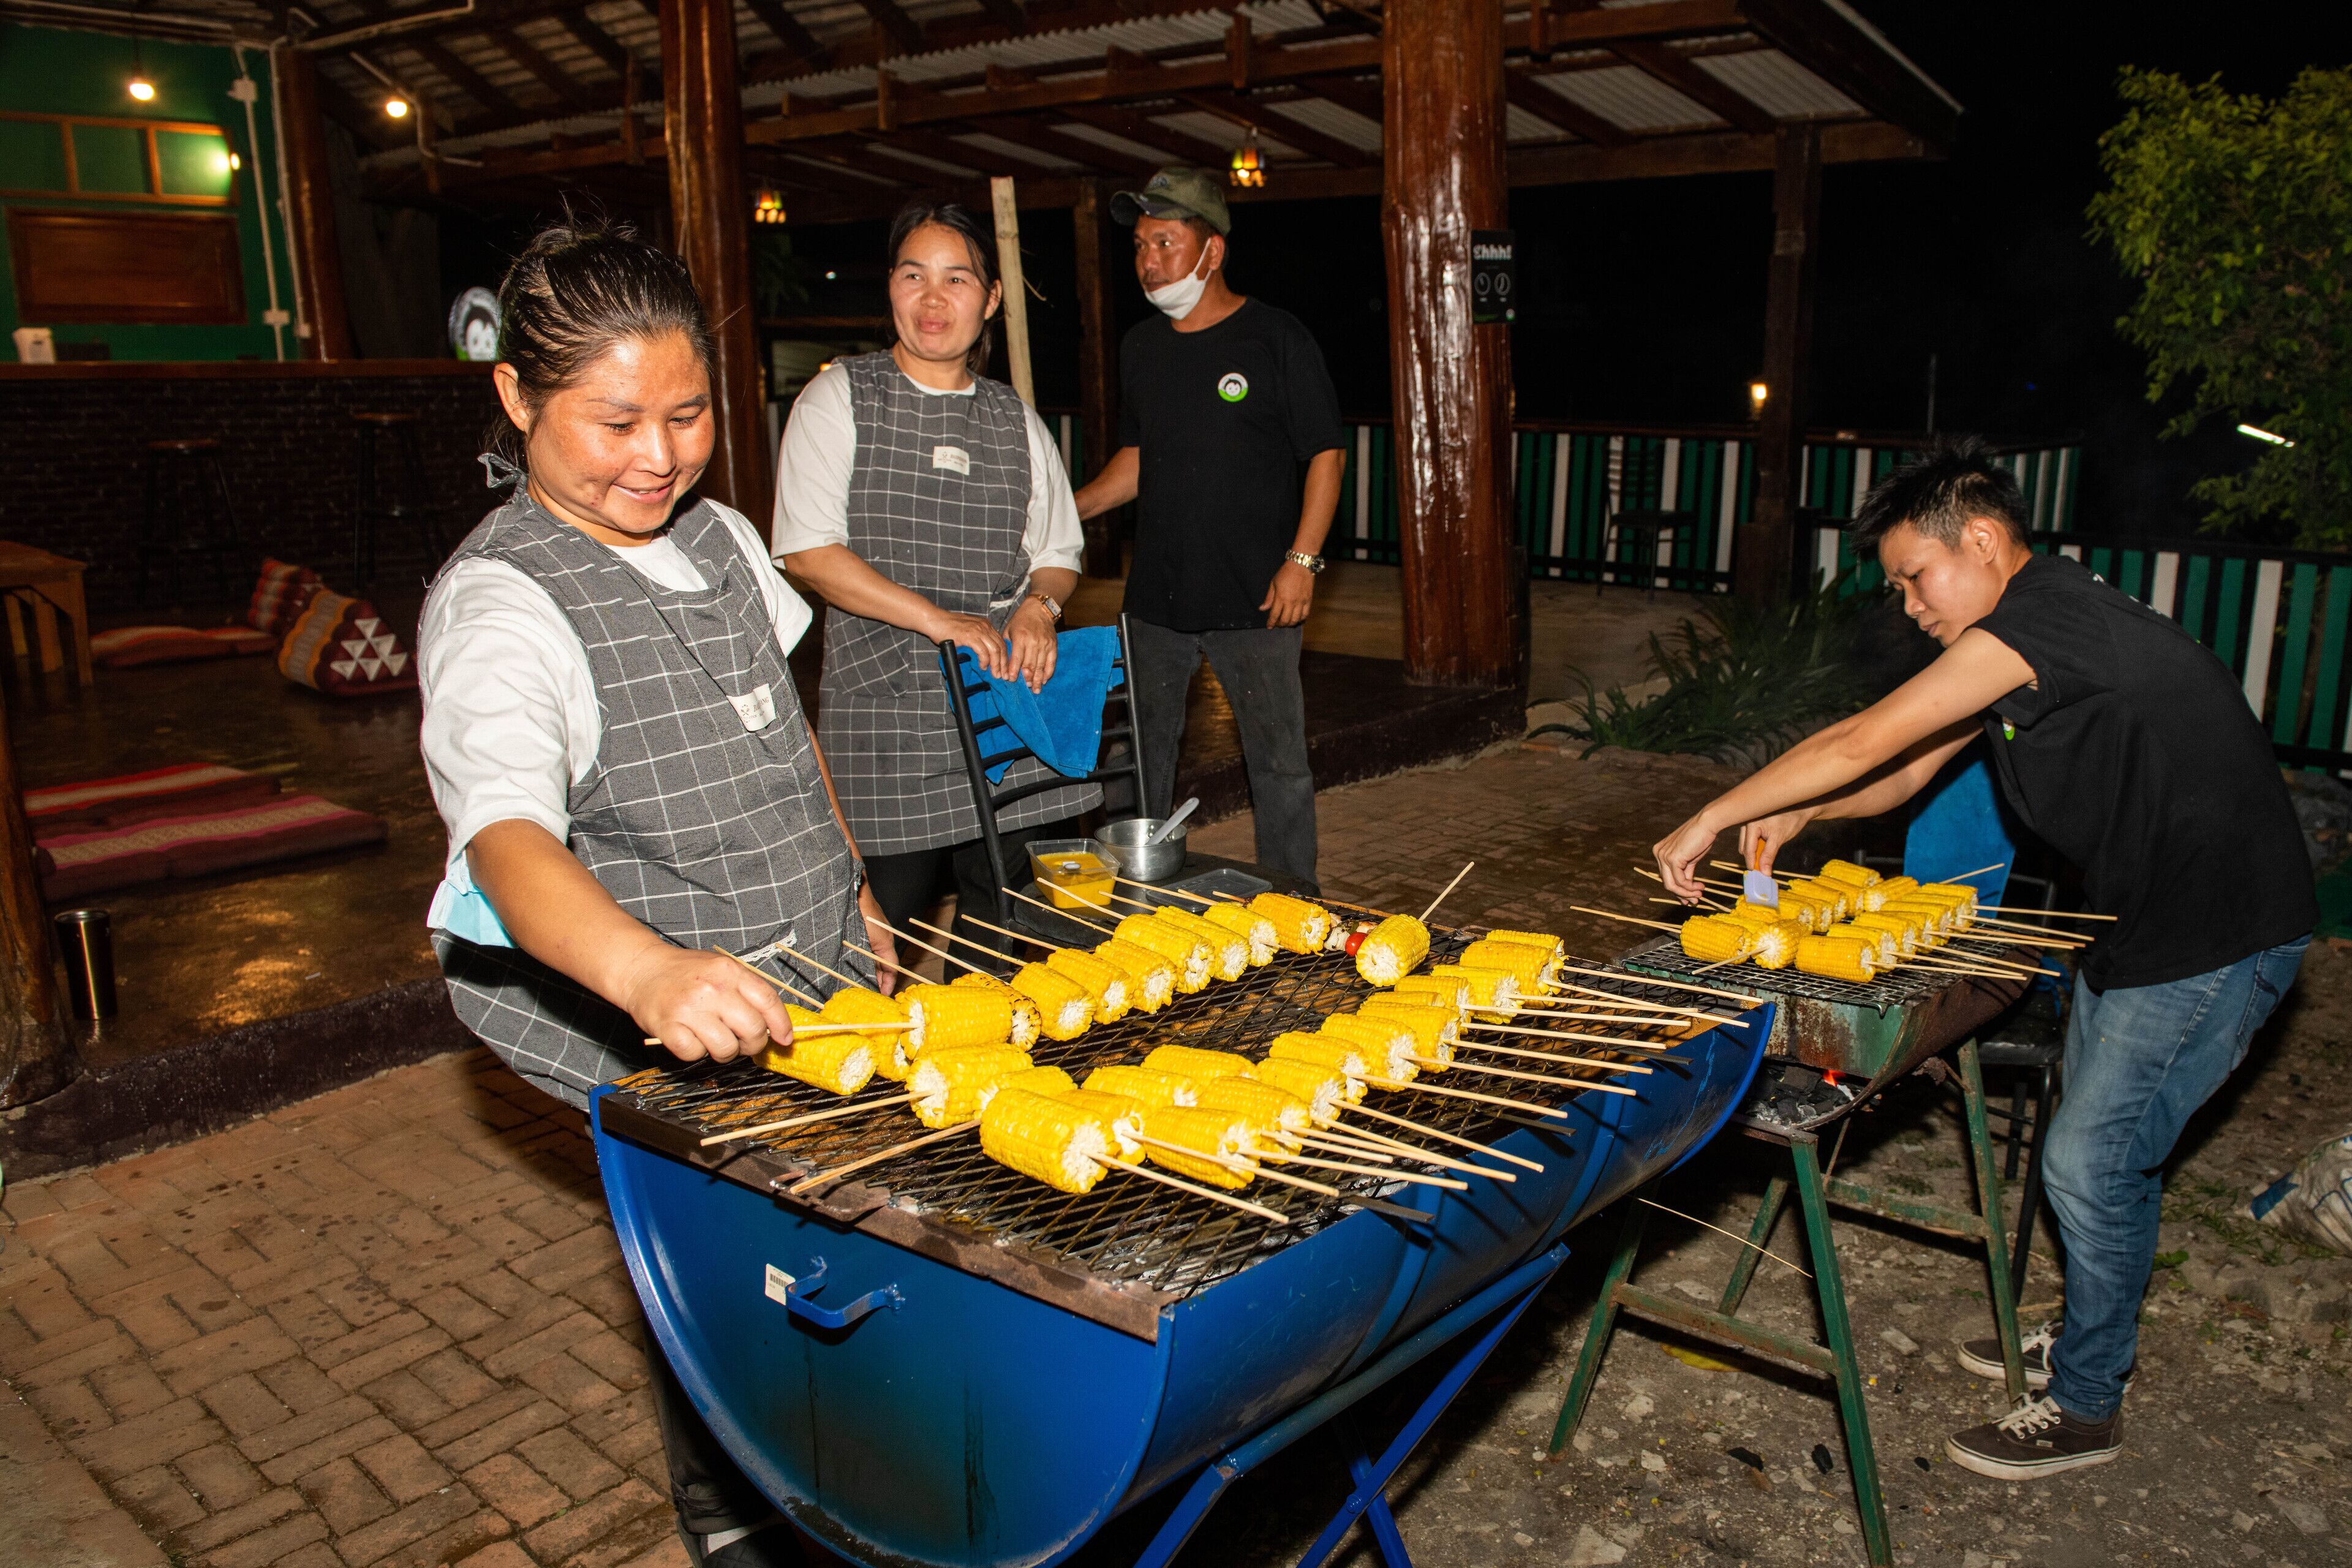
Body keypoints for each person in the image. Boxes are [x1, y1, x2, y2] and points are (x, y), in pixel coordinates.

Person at [1653, 437, 2316, 1482]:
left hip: (2215, 933)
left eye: (1917, 576)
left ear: (1984, 540)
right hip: (2146, 924)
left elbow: (1866, 737)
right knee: (2107, 1148)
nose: (1910, 604)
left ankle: (2089, 1403)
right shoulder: (2031, 632)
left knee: (2091, 1162)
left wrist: (1713, 814)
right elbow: (1898, 775)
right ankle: (2097, 1331)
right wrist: (1798, 811)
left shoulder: (2043, 622)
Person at [418, 220, 884, 1567]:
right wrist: (649, 974)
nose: (658, 456)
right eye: (613, 421)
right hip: (660, 1002)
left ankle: (855, 1478)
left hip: (812, 963)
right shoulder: (505, 604)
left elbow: (783, 727)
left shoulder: (726, 537)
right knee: (728, 1279)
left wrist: (847, 874)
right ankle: (734, 1523)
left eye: (686, 414)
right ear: (516, 397)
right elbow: (504, 841)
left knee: (836, 1254)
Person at [776, 200, 1094, 959]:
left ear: (988, 302)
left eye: (956, 280)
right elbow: (808, 552)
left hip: (1004, 705)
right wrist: (936, 619)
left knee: (1014, 934)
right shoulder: (839, 398)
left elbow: (1058, 550)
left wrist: (1039, 610)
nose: (932, 298)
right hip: (887, 714)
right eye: (914, 275)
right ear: (890, 287)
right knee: (872, 930)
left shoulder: (1013, 417)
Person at [1072, 167, 1345, 888]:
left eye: (1166, 241)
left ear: (1212, 251)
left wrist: (1304, 561)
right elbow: (1138, 459)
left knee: (1279, 763)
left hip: (1258, 598)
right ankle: (1133, 891)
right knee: (1134, 762)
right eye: (1139, 245)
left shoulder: (1276, 338)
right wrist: (1068, 510)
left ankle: (1294, 905)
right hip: (1155, 600)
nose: (1148, 260)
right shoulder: (1142, 347)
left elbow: (1325, 451)